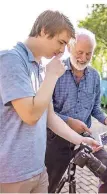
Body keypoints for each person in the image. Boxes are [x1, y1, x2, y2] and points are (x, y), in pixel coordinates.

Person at [0, 11, 101, 193]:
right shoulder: (11, 59)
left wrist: (81, 140)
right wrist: (52, 76)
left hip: (38, 170)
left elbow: (50, 118)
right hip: (12, 175)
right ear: (45, 31)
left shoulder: (38, 67)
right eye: (61, 42)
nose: (62, 51)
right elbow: (30, 115)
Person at [45, 28, 107, 193]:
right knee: (48, 186)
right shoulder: (55, 70)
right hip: (56, 137)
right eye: (80, 52)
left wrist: (105, 119)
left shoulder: (95, 76)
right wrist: (69, 122)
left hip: (84, 139)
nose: (83, 58)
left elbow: (95, 108)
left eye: (89, 54)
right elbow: (45, 110)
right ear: (70, 48)